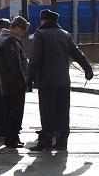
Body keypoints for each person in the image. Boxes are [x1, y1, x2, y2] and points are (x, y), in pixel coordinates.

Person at [27, 9, 93, 151]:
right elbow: (77, 54)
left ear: (44, 20)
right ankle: (62, 141)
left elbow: (34, 60)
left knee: (47, 112)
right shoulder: (65, 35)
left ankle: (46, 141)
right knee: (63, 112)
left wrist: (28, 80)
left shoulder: (40, 34)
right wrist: (88, 68)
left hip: (46, 82)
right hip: (63, 81)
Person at [0, 16, 30, 148]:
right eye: (22, 30)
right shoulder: (10, 41)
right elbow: (14, 65)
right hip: (14, 84)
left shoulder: (4, 38)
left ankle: (13, 137)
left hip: (8, 82)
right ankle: (11, 139)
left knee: (11, 111)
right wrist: (23, 82)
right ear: (15, 28)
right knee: (15, 113)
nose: (24, 33)